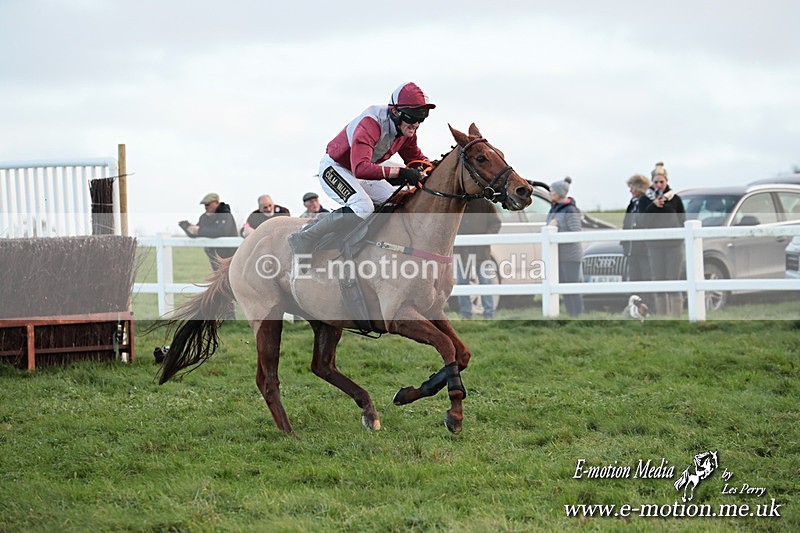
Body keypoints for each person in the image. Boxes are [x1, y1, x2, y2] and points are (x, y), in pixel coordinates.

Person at [288, 82, 435, 254]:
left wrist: (436, 169)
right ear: (395, 111)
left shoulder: (406, 131)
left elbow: (417, 159)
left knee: (396, 200)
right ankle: (305, 238)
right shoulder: (371, 124)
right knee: (363, 207)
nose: (416, 124)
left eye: (421, 118)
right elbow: (361, 169)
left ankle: (367, 247)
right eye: (412, 117)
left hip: (362, 171)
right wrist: (400, 172)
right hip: (335, 168)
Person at [643, 162, 686, 317]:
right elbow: (642, 222)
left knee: (673, 278)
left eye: (662, 181)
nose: (659, 185)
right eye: (656, 182)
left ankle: (677, 316)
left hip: (674, 245)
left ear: (666, 182)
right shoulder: (645, 200)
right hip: (654, 246)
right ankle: (662, 315)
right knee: (659, 278)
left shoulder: (675, 199)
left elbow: (682, 220)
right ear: (652, 183)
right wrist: (653, 206)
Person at [455, 201, 502, 320]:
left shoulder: (486, 204)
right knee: (462, 283)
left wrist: (485, 239)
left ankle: (489, 314)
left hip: (481, 252)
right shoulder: (458, 201)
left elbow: (496, 223)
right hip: (461, 251)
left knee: (485, 282)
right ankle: (466, 314)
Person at [545, 177, 584, 317]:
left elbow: (576, 233)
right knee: (563, 287)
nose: (550, 193)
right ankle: (570, 314)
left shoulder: (570, 210)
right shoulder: (554, 209)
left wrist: (558, 227)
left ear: (560, 193)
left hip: (570, 256)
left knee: (572, 287)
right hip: (558, 255)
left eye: (552, 191)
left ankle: (578, 314)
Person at [178, 192, 238, 271]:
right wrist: (187, 227)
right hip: (214, 256)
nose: (205, 207)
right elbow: (198, 233)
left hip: (229, 256)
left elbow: (222, 231)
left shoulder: (225, 215)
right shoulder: (204, 217)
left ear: (216, 203)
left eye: (208, 204)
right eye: (204, 205)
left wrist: (199, 230)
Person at [622, 174, 653, 308]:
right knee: (633, 278)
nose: (630, 190)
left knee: (646, 278)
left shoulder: (645, 202)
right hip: (631, 249)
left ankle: (647, 307)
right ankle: (635, 307)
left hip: (643, 249)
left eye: (632, 187)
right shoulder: (632, 204)